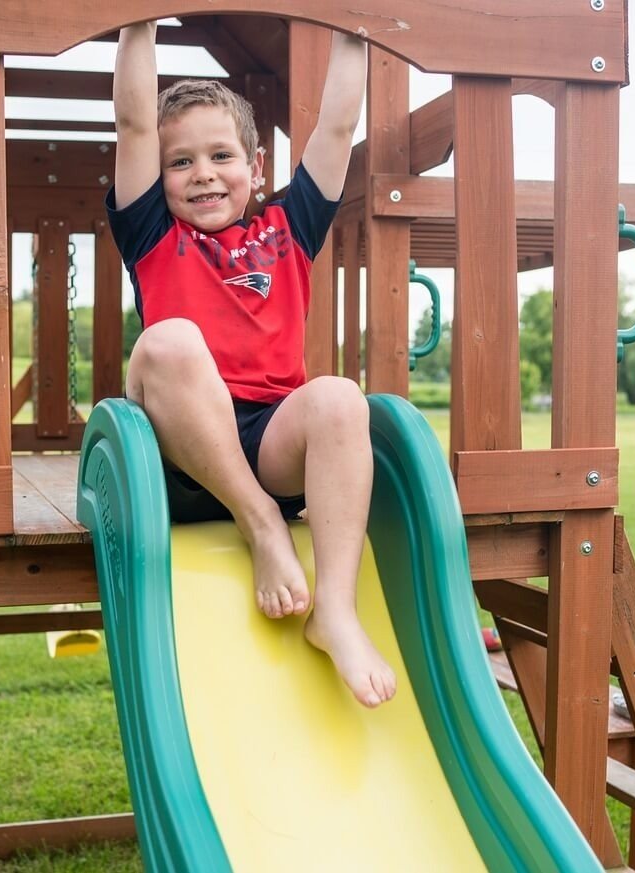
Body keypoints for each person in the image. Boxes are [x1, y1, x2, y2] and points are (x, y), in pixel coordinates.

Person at [107, 22, 395, 709]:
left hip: (270, 442)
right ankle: (261, 523)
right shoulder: (153, 234)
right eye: (181, 163)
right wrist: (139, 22)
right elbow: (133, 122)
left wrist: (355, 29)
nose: (202, 173)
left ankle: (336, 610)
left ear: (256, 167)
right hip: (181, 457)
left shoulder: (288, 230)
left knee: (339, 397)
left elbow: (336, 127)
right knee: (169, 341)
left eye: (220, 156)